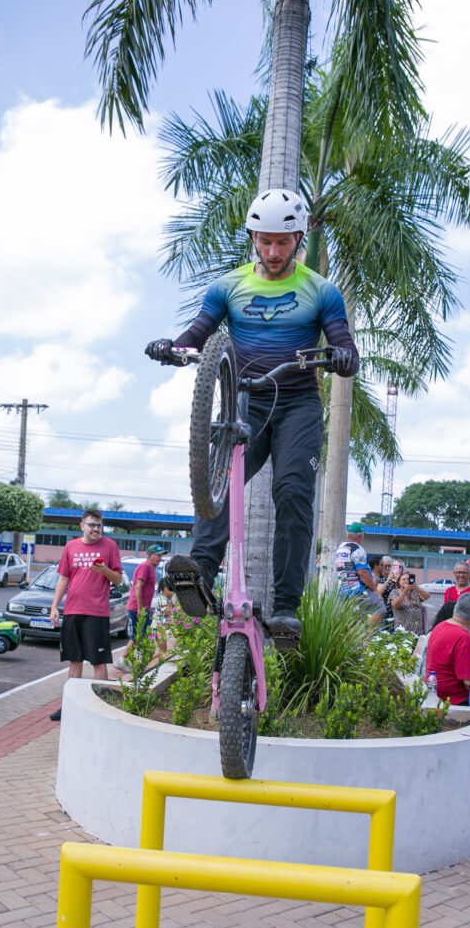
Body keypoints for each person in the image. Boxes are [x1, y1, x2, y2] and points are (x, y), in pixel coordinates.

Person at [146, 188, 359, 641]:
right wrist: (173, 347)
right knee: (218, 477)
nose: (274, 251)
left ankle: (285, 607)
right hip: (245, 402)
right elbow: (198, 332)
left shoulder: (321, 291)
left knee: (293, 490)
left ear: (299, 239)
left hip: (298, 405)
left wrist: (343, 353)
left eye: (283, 242)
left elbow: (341, 339)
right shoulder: (229, 285)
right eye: (265, 241)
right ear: (253, 238)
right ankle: (201, 570)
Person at [48, 509, 123, 721]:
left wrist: (104, 571)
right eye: (91, 525)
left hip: (97, 613)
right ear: (82, 526)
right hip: (72, 611)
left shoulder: (110, 546)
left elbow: (117, 579)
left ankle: (102, 707)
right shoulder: (71, 547)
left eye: (99, 525)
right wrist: (55, 607)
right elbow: (63, 579)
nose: (96, 529)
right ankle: (70, 707)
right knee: (75, 660)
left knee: (99, 661)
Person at [426, 592, 470, 705]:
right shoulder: (463, 638)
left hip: (435, 694)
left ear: (456, 609)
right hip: (455, 700)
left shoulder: (441, 625)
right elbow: (469, 682)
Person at [121, 544, 165, 662]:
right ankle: (122, 660)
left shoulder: (151, 568)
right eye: (158, 555)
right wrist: (140, 608)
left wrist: (148, 607)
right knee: (137, 635)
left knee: (143, 634)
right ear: (150, 555)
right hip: (137, 607)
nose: (160, 558)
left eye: (161, 555)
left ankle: (130, 660)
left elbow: (146, 591)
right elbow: (138, 587)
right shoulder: (144, 567)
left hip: (144, 608)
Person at [334, 523, 385, 624]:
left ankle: (355, 637)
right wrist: (375, 590)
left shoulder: (341, 548)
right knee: (380, 607)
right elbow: (362, 573)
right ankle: (366, 635)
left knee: (354, 619)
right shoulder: (357, 549)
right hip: (357, 590)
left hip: (343, 590)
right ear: (361, 535)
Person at [391, 570, 430, 635]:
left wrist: (418, 588)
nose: (406, 581)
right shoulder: (395, 592)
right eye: (403, 579)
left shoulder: (415, 592)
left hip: (417, 631)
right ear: (399, 581)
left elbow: (427, 597)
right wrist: (404, 592)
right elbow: (396, 605)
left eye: (408, 579)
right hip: (402, 631)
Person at [378, 558, 404, 630]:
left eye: (399, 567)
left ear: (402, 569)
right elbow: (378, 593)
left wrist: (398, 582)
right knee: (383, 636)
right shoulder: (384, 579)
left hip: (400, 614)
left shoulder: (404, 581)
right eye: (394, 566)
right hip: (385, 614)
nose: (397, 568)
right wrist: (388, 580)